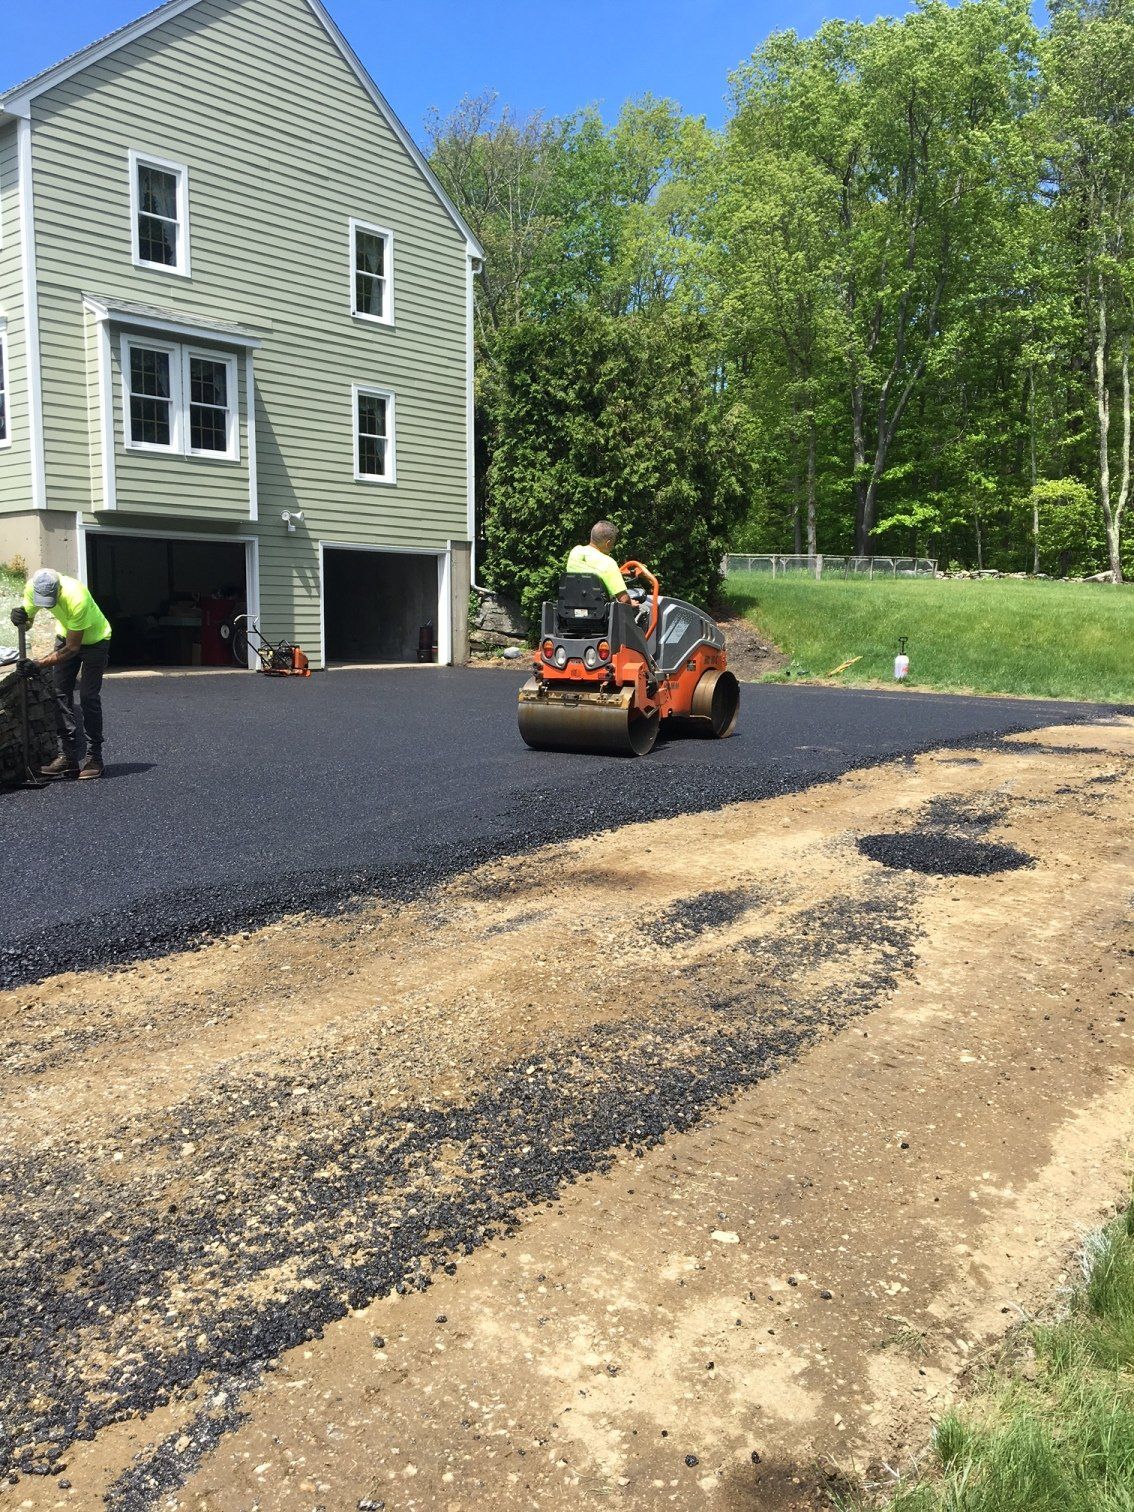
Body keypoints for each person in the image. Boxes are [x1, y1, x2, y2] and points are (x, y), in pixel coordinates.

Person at [10, 567, 112, 780]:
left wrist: (38, 664)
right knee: (59, 693)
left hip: (95, 641)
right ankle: (66, 757)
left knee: (88, 697)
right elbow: (27, 622)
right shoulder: (33, 587)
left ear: (59, 590)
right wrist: (20, 618)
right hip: (66, 635)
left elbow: (72, 649)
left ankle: (95, 757)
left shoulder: (76, 596)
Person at [564, 521, 631, 603]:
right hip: (601, 612)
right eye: (613, 544)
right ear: (608, 543)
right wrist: (631, 602)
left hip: (572, 606)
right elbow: (624, 599)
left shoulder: (575, 552)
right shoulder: (609, 563)